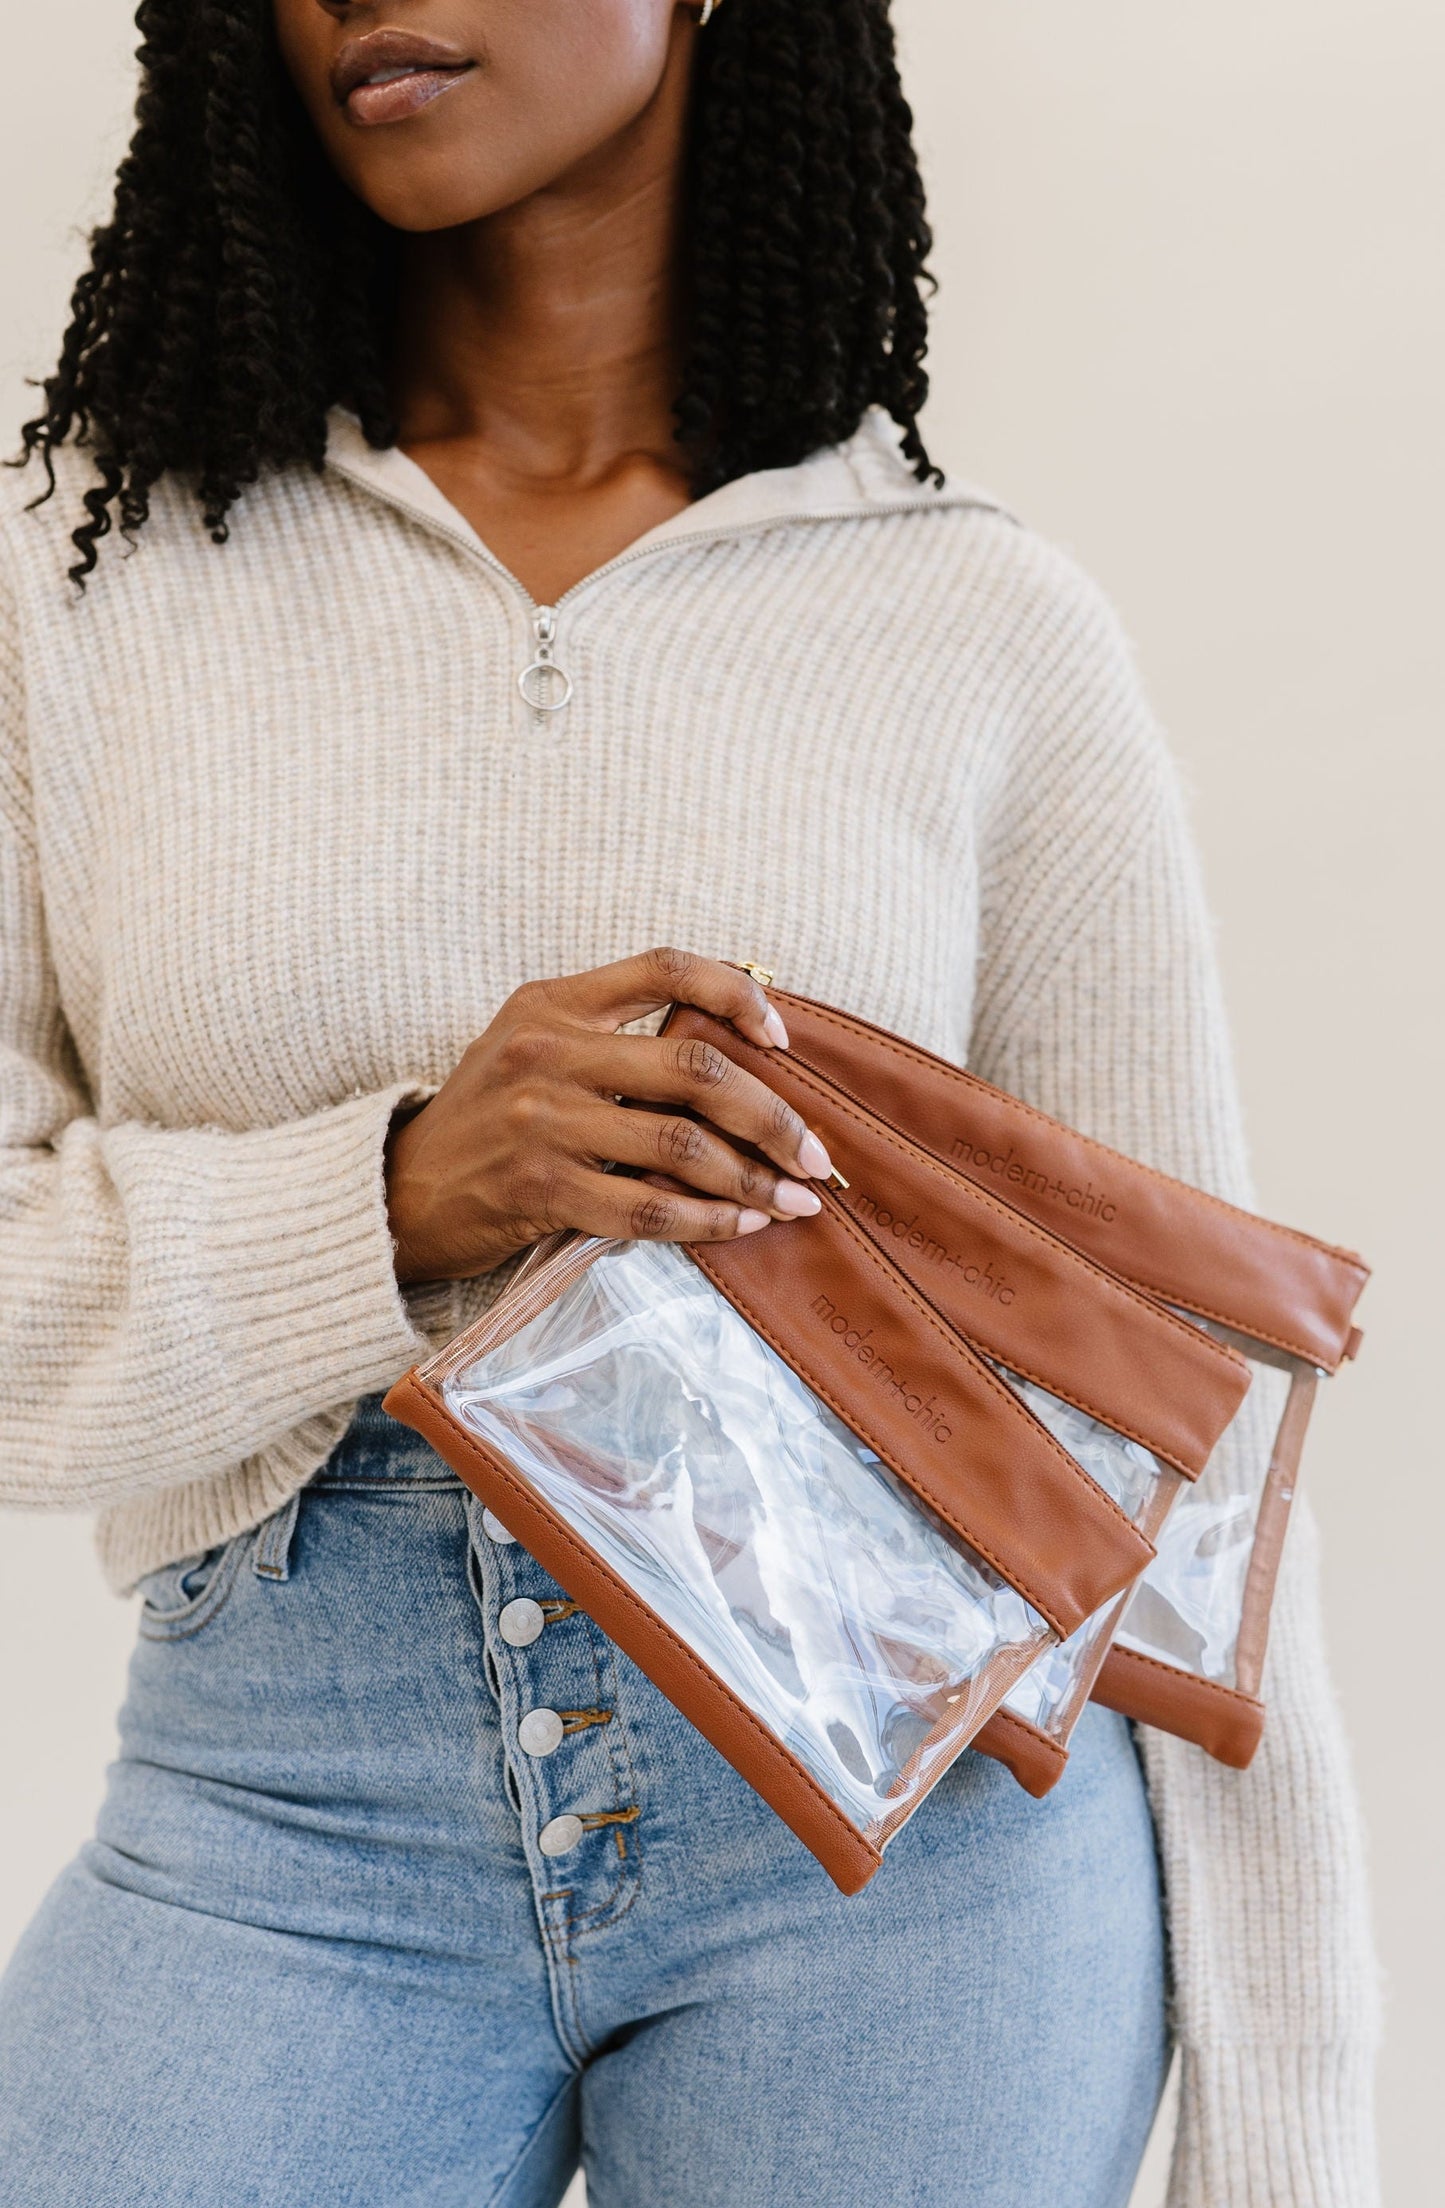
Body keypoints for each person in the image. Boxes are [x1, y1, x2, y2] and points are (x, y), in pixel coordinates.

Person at [0, 3, 1378, 2203]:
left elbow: (1177, 1466)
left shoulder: (978, 629)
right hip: (284, 1804)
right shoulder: (82, 582)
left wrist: (1292, 2144)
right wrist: (390, 1197)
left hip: (916, 1866)